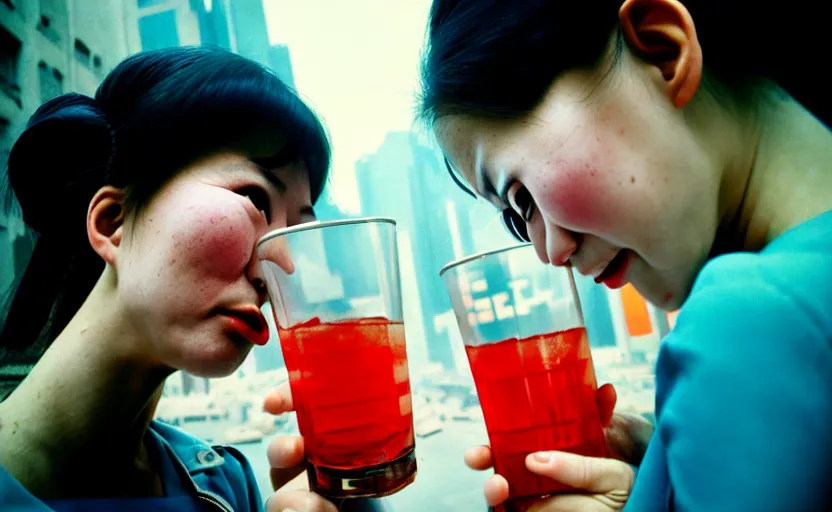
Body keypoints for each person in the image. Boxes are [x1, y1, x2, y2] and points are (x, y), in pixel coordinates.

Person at [417, 0, 832, 510]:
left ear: (662, 50)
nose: (549, 251)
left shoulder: (747, 319)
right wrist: (663, 455)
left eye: (522, 197)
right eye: (518, 218)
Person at [0, 45, 331, 511]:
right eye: (256, 198)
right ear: (112, 221)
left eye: (295, 233)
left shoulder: (225, 486)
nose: (283, 268)